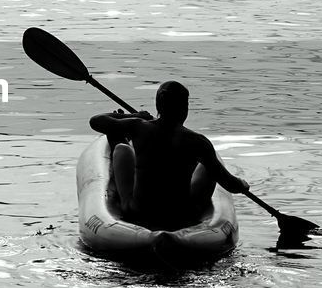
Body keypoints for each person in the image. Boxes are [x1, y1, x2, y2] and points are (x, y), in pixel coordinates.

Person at [88, 80, 250, 230]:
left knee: (121, 149)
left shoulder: (139, 127)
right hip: (180, 216)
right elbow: (230, 184)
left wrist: (132, 116)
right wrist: (242, 184)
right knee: (210, 164)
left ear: (158, 106)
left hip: (139, 212)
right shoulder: (198, 141)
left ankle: (123, 197)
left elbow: (96, 121)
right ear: (184, 109)